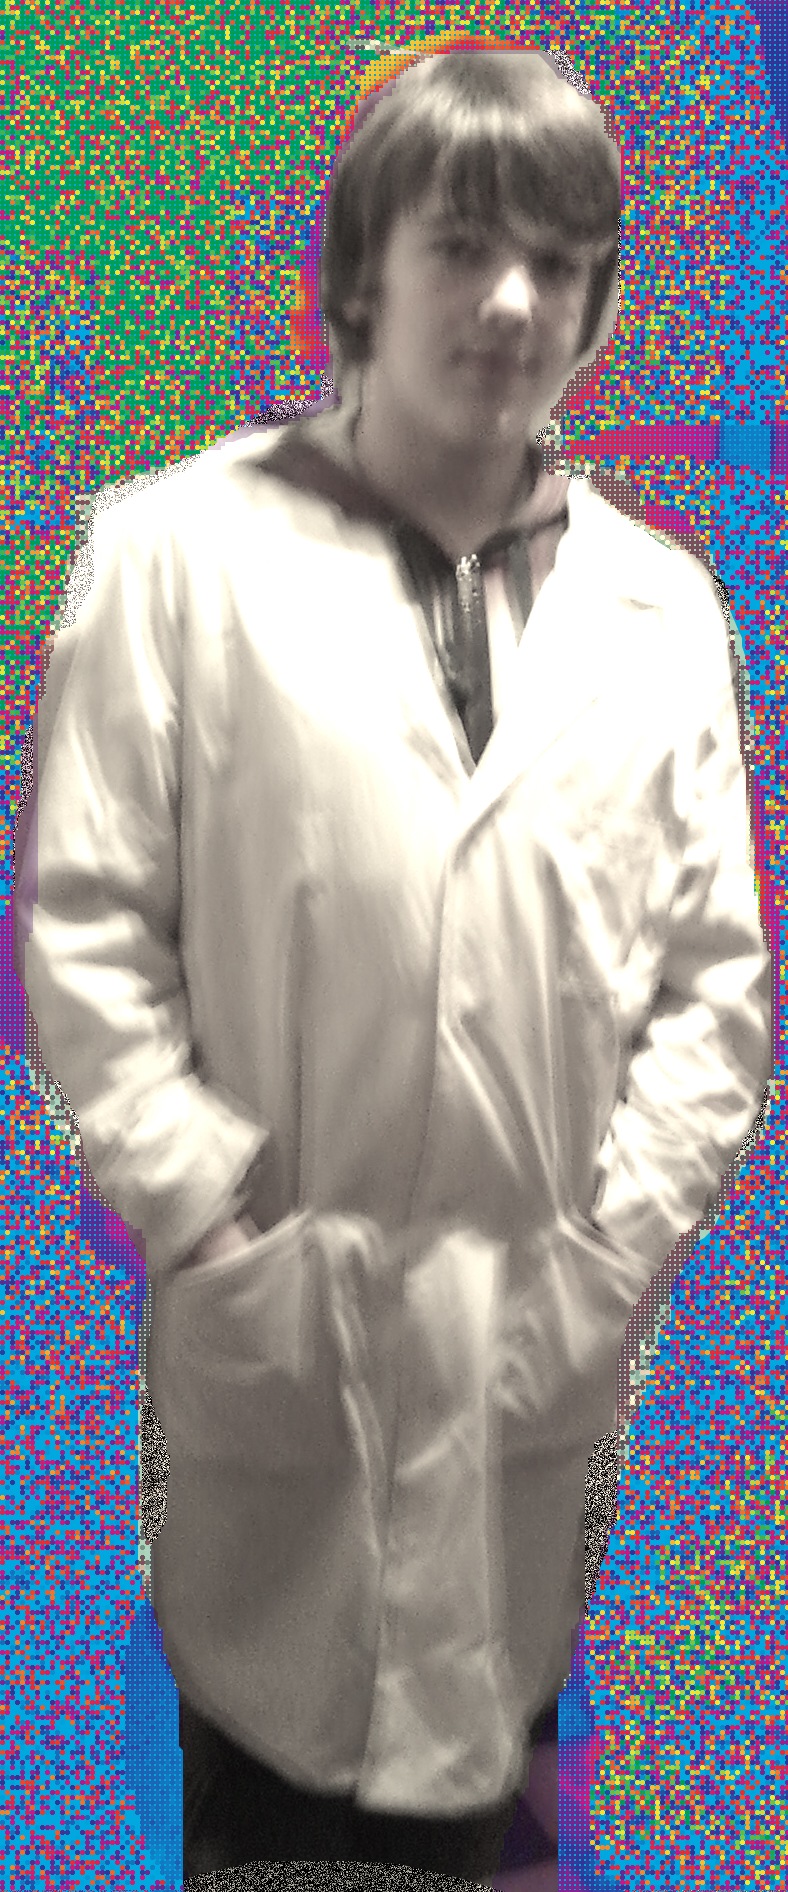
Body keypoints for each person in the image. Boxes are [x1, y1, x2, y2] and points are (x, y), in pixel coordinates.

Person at [15, 46, 770, 1889]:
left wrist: (610, 1255)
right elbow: (88, 926)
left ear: (600, 303)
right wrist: (210, 1229)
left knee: (489, 1816)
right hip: (276, 1348)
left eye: (559, 264)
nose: (512, 303)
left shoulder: (664, 613)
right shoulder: (171, 557)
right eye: (461, 248)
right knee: (269, 1821)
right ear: (361, 271)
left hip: (531, 1368)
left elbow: (713, 988)